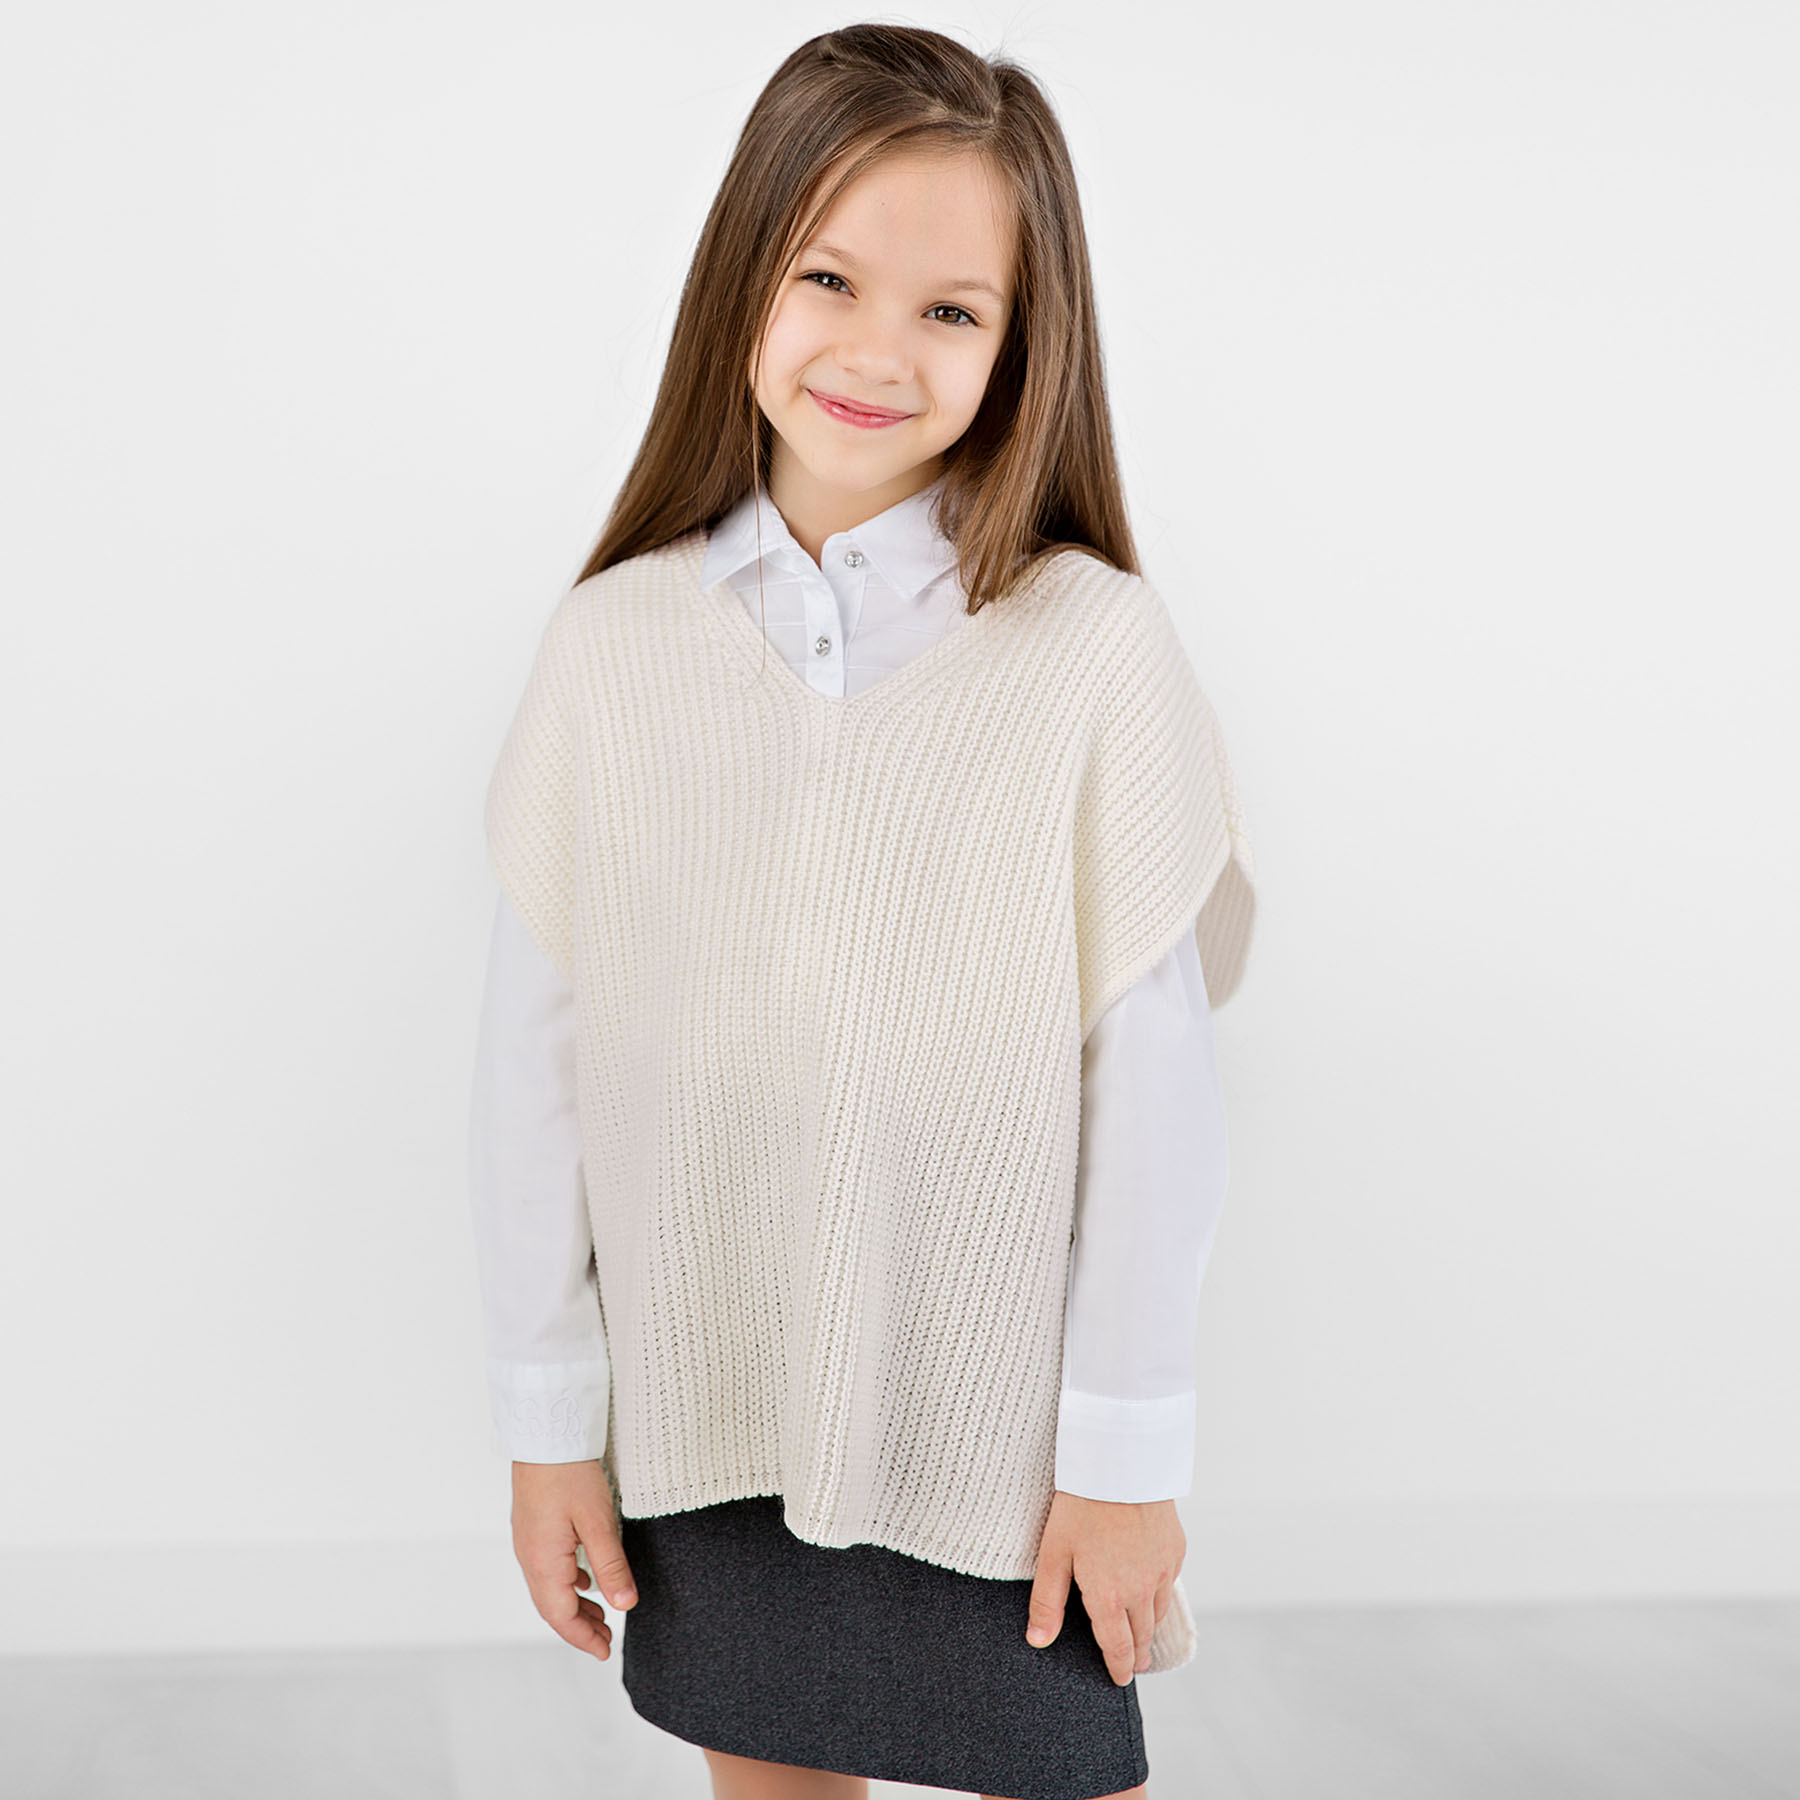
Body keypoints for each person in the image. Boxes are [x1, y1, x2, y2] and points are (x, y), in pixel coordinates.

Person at [467, 23, 1258, 1800]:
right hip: (711, 1400)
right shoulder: (613, 648)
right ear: (743, 273)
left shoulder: (1092, 651)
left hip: (1004, 1438)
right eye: (829, 277)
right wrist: (547, 1426)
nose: (878, 350)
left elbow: (1158, 1100)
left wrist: (1126, 1457)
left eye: (952, 309)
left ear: (1023, 344)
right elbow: (534, 1076)